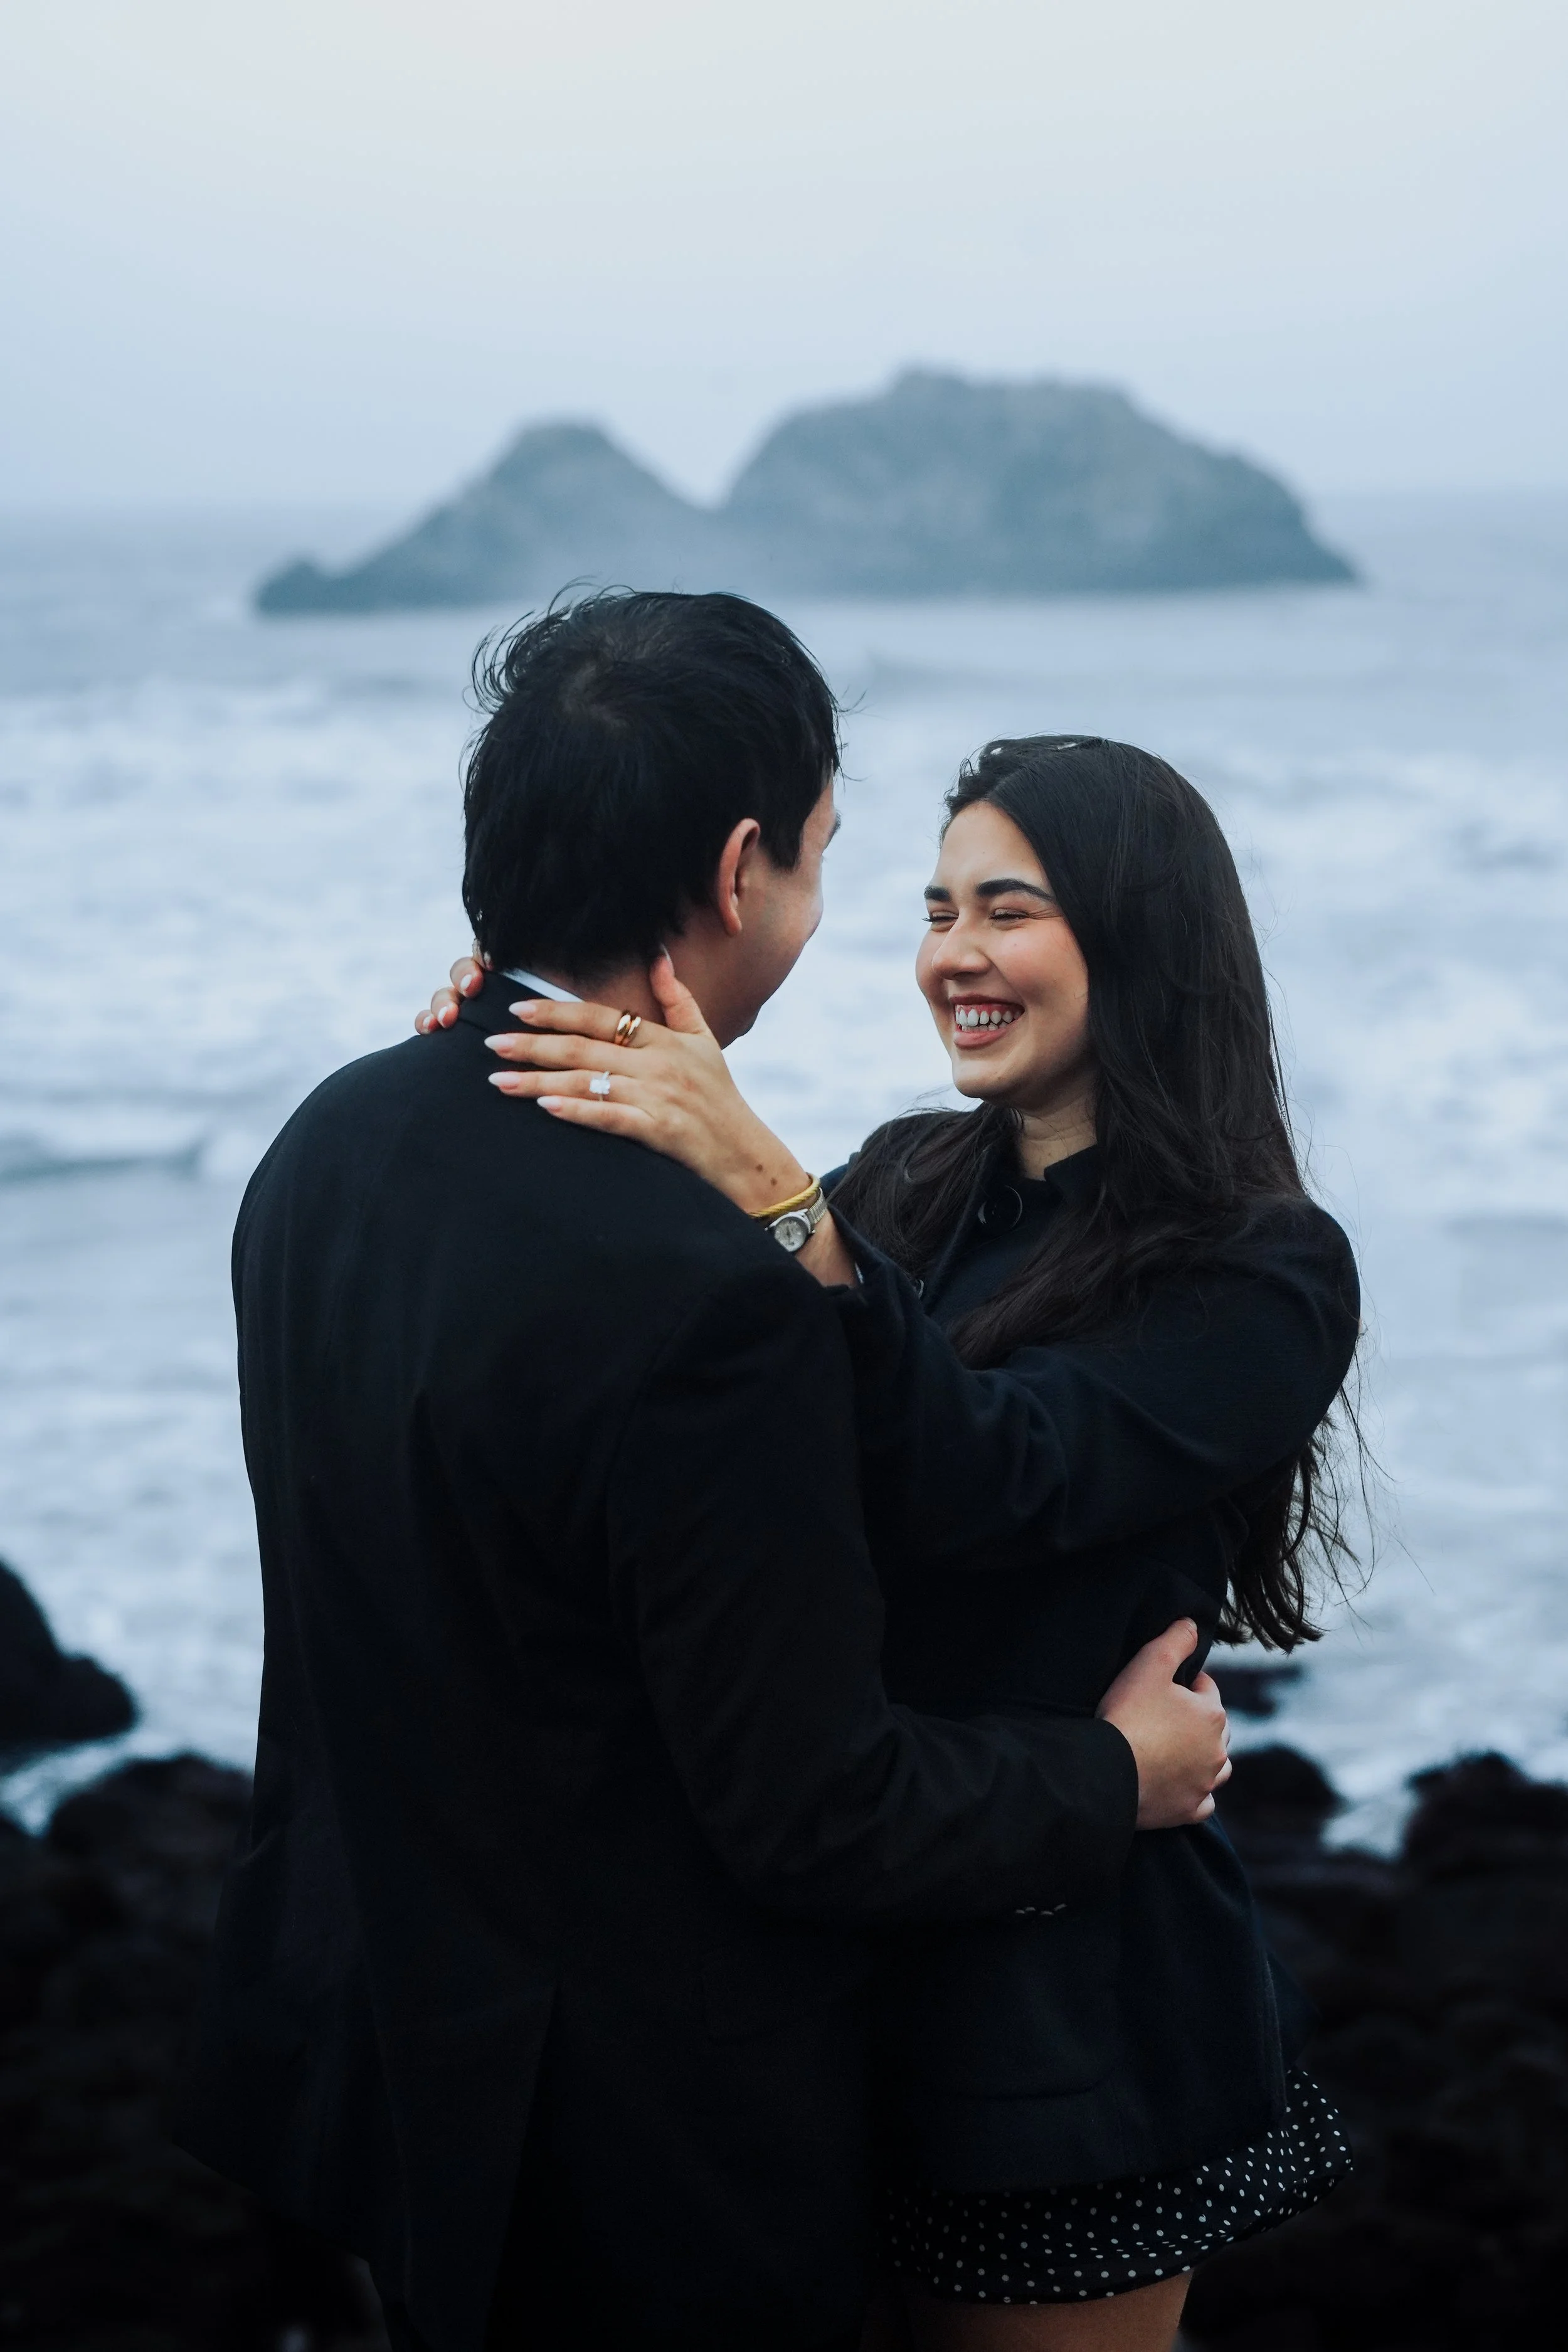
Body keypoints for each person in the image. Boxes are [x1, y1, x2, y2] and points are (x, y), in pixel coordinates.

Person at [176, 600, 1231, 2352]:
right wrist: (1108, 1770)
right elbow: (813, 1806)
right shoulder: (705, 1293)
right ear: (740, 867)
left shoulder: (326, 1145)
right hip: (631, 2148)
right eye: (834, 865)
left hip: (379, 2051)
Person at [430, 731, 1362, 2351]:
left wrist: (771, 1189)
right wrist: (544, 1061)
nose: (951, 956)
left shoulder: (1257, 1266)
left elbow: (990, 1476)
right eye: (934, 908)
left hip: (1059, 2000)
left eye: (1008, 909)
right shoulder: (907, 1176)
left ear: (1138, 934)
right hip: (819, 1944)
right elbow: (715, 1405)